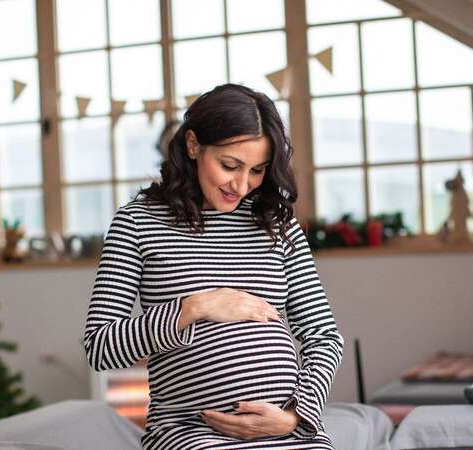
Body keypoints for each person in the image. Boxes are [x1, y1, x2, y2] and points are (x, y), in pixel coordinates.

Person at [82, 83, 344, 450]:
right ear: (193, 145)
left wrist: (296, 416)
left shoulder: (277, 224)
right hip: (189, 433)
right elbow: (101, 346)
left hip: (286, 431)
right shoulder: (137, 223)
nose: (241, 185)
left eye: (257, 170)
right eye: (230, 165)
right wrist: (197, 306)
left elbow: (324, 337)